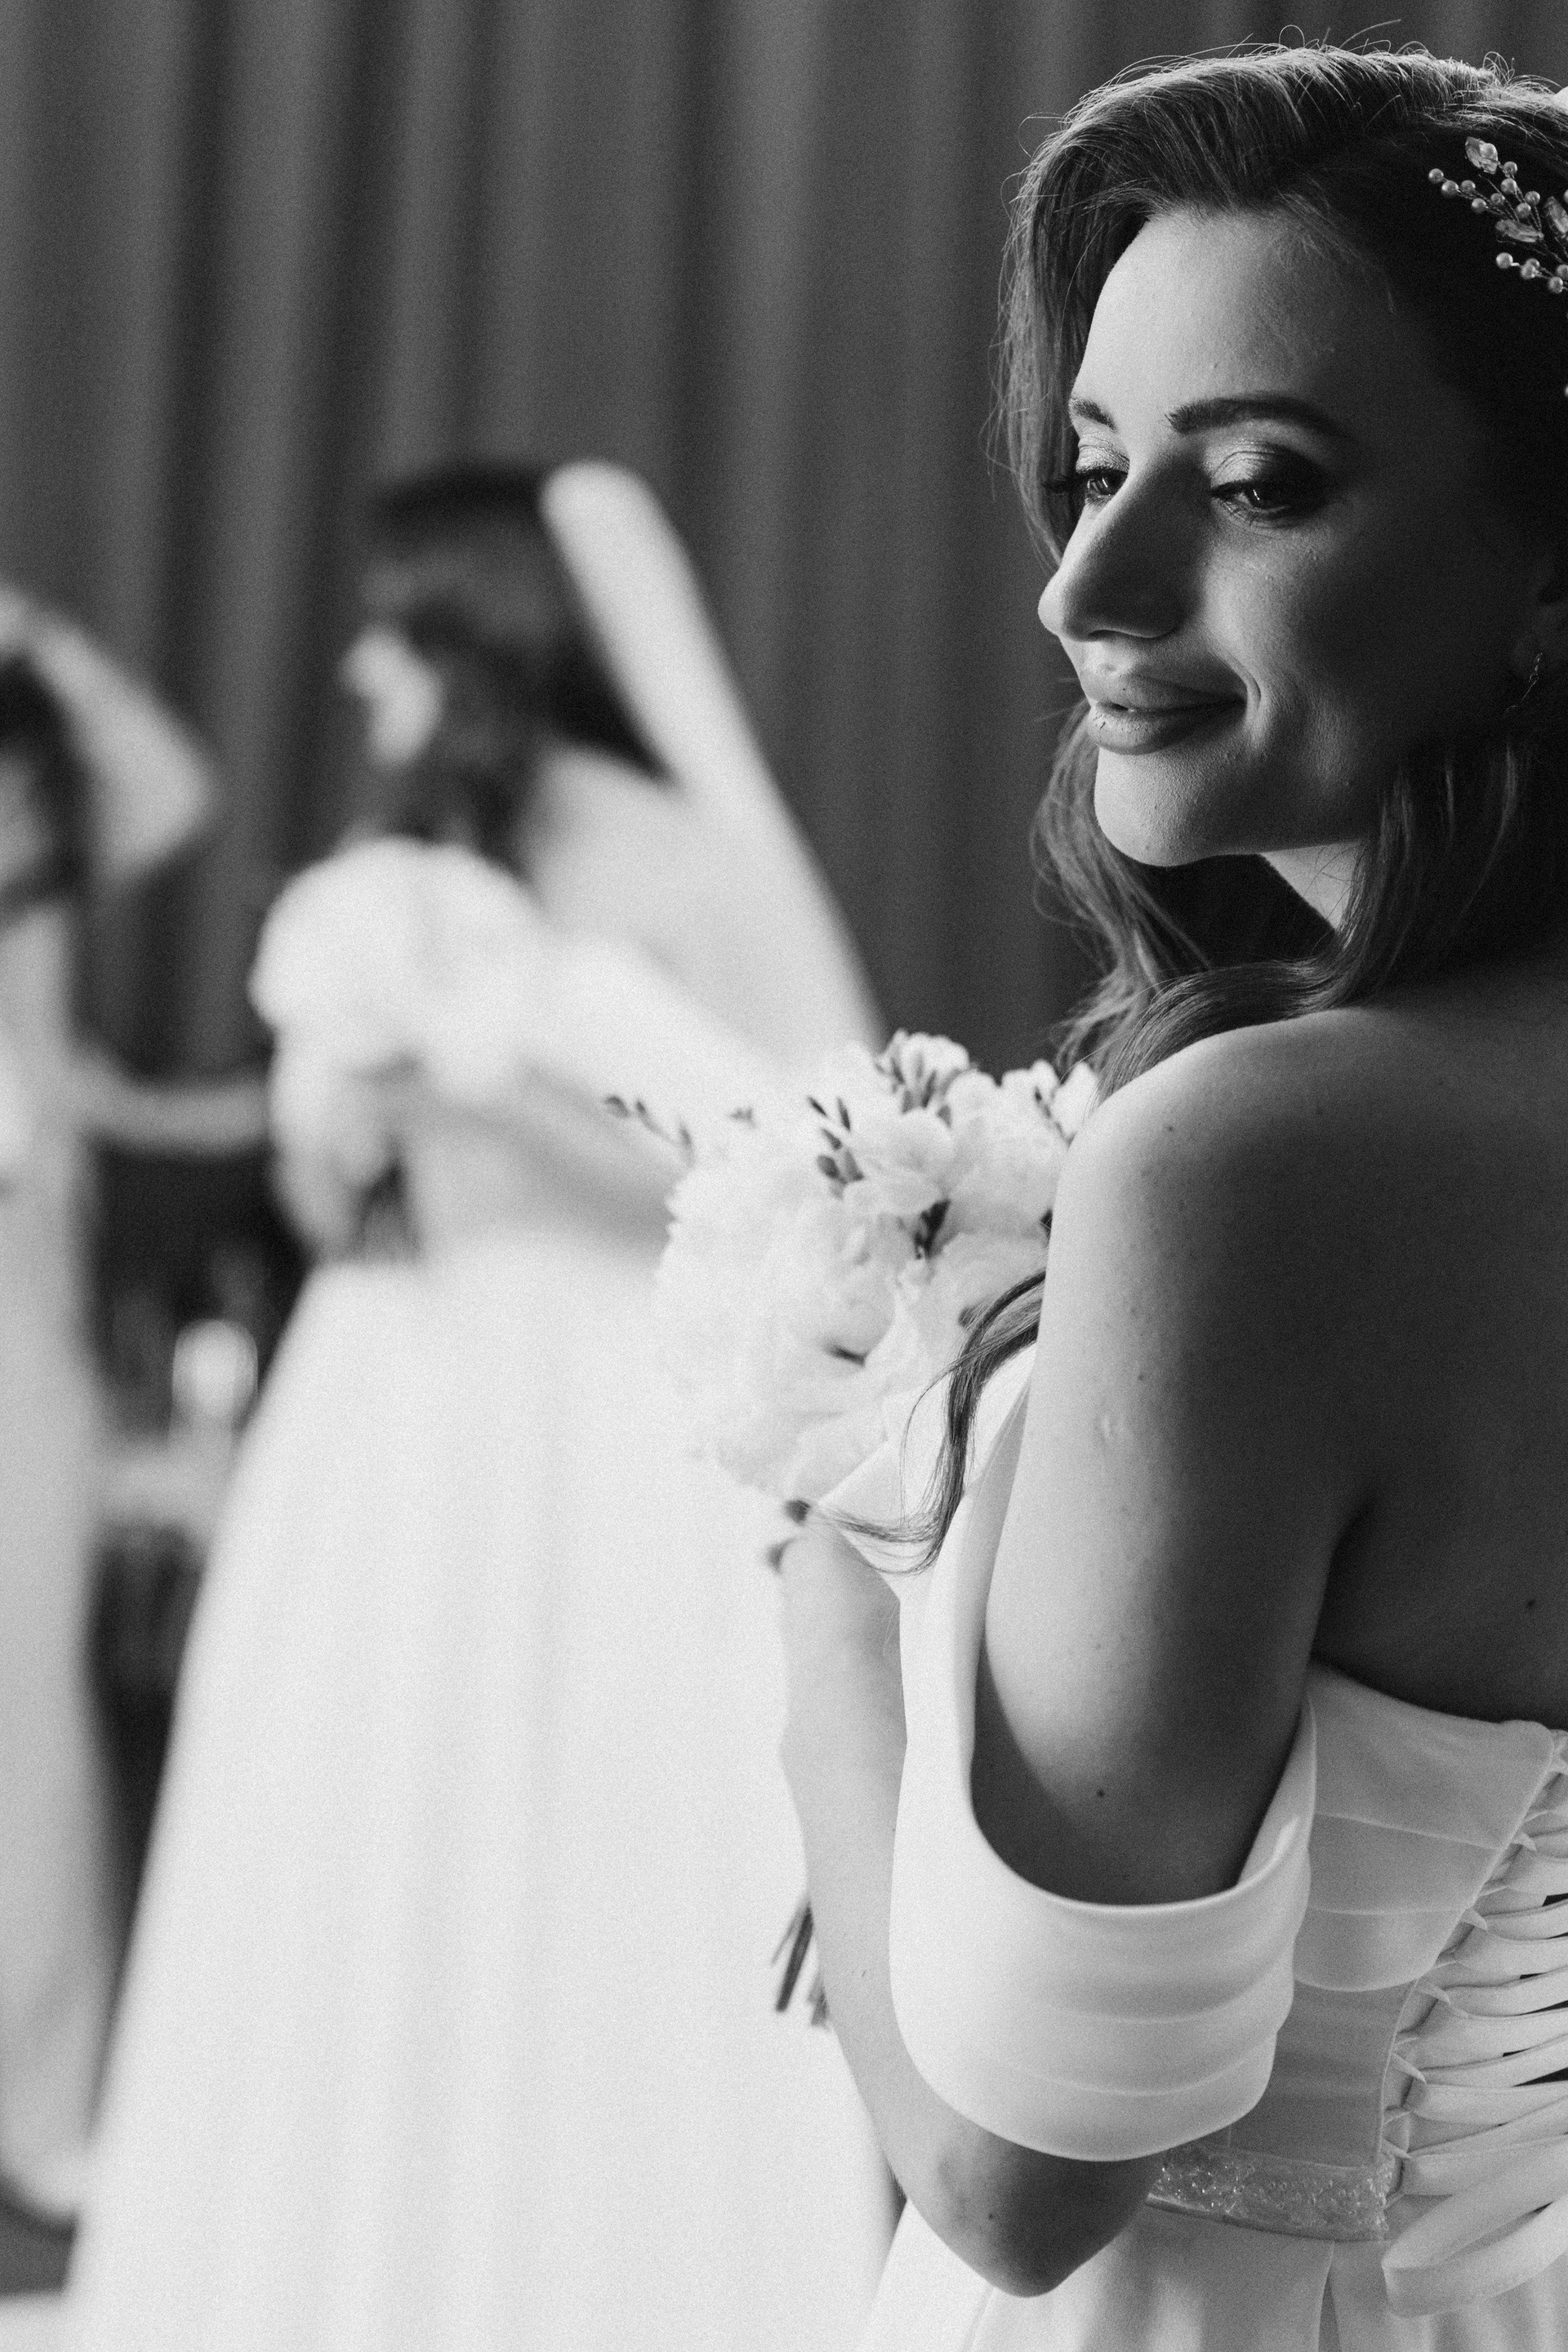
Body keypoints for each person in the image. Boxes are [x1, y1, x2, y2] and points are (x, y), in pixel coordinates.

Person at [779, 43, 1568, 2352]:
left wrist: (828, 1612)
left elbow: (1017, 2180)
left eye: (1255, 484)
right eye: (1092, 468)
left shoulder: (1266, 1164)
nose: (1084, 587)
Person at [62, 461, 889, 2350]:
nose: (363, 670)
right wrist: (343, 1121)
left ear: (481, 637)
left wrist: (482, 1088)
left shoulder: (687, 867)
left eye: (395, 630)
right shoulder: (411, 876)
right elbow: (328, 1203)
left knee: (597, 1837)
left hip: (606, 1407)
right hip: (395, 1409)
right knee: (361, 1829)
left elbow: (789, 1181)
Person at [0, 606, 266, 2249]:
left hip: (19, 1301)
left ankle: (42, 2107)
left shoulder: (27, 881)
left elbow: (167, 789)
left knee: (28, 1706)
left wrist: (23, 623)